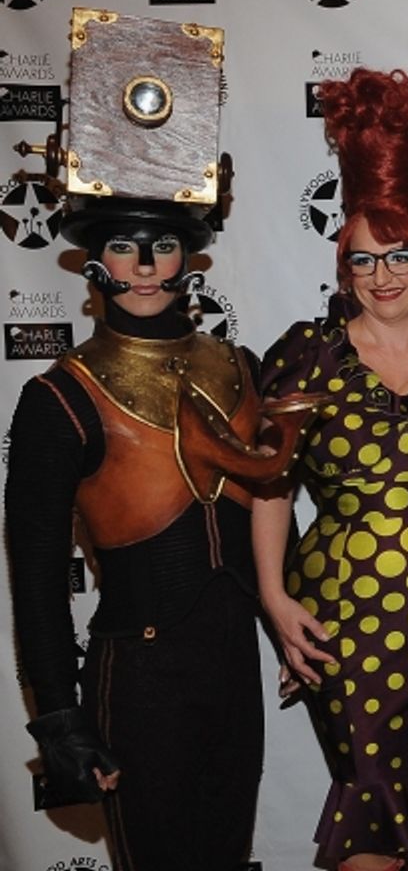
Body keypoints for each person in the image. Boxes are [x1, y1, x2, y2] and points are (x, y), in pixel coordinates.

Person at [5, 195, 311, 870]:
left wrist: (290, 619)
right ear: (95, 261)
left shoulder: (241, 366)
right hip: (139, 679)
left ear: (188, 259)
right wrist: (58, 716)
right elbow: (34, 572)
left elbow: (270, 499)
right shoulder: (59, 396)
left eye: (162, 246)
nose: (144, 267)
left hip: (234, 665)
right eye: (123, 246)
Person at [252, 68, 408, 871]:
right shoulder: (305, 354)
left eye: (403, 255)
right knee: (369, 789)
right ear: (343, 269)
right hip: (346, 615)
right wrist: (274, 598)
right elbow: (270, 486)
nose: (385, 275)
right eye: (365, 260)